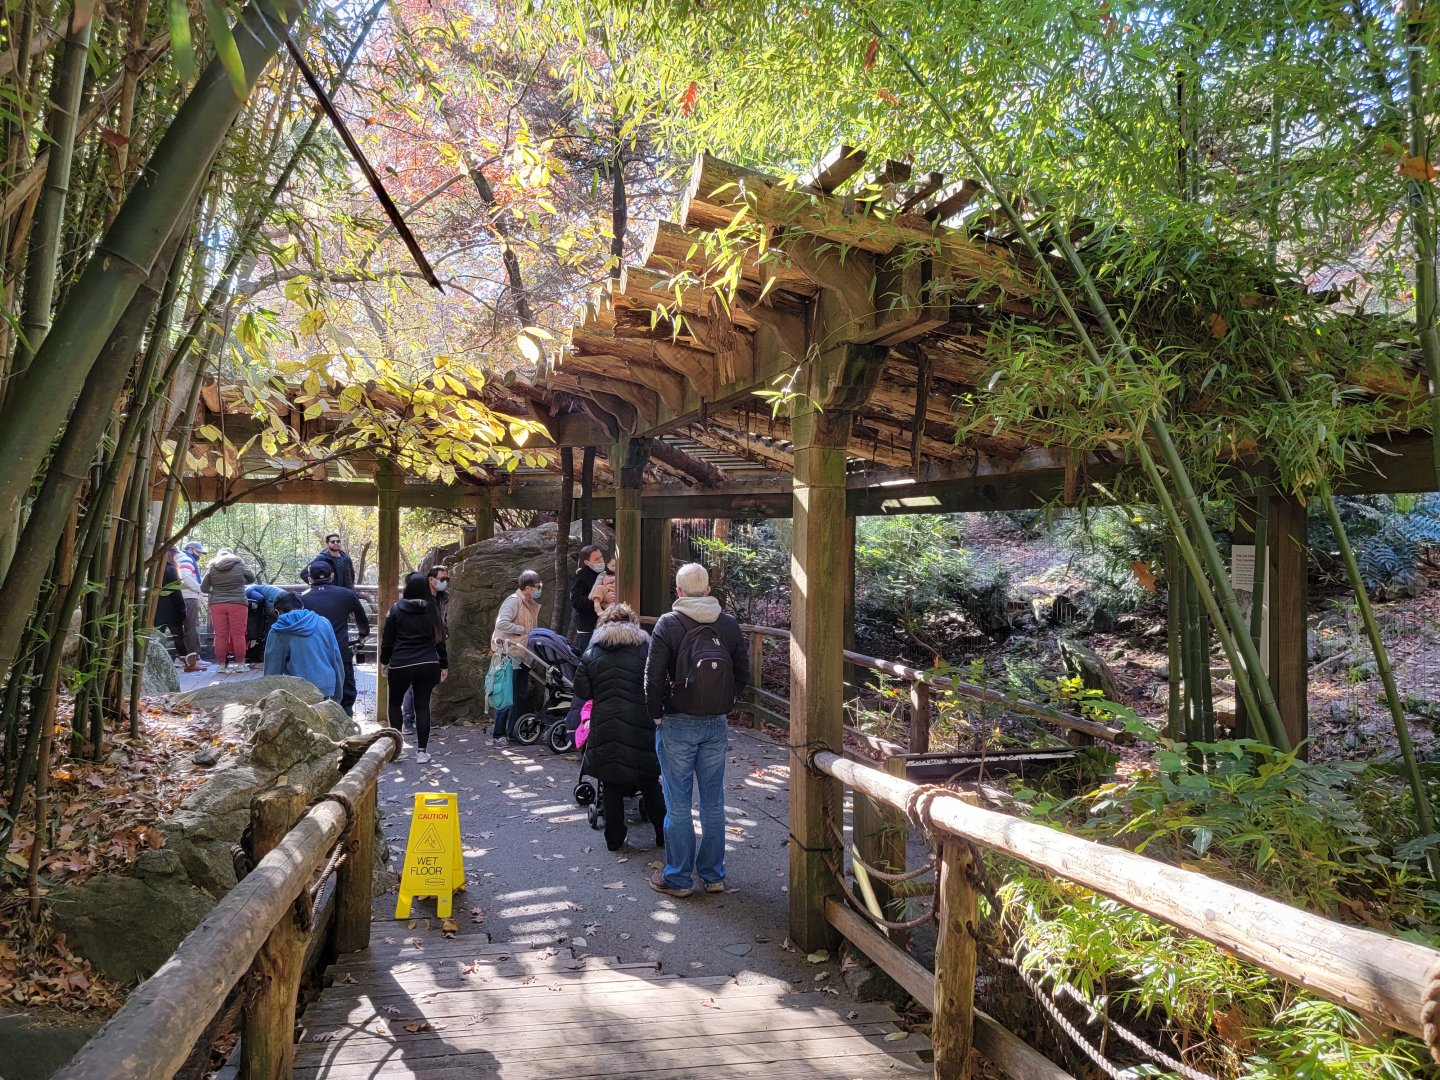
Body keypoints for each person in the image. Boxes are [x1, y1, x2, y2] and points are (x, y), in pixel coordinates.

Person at [644, 562, 750, 898]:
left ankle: (678, 879)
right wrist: (726, 702)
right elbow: (743, 672)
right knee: (713, 802)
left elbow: (652, 676)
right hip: (715, 724)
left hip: (677, 721)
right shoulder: (728, 624)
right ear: (707, 590)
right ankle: (713, 875)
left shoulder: (669, 624)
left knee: (677, 803)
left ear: (678, 592)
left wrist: (657, 715)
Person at [573, 603, 667, 853]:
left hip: (606, 723)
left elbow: (582, 690)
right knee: (649, 781)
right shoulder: (646, 649)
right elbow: (658, 682)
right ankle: (663, 834)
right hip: (641, 722)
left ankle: (614, 839)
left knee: (611, 784)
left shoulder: (593, 652)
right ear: (633, 623)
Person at [382, 572, 448, 764]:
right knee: (422, 706)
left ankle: (397, 750)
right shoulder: (432, 610)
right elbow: (439, 640)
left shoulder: (395, 610)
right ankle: (421, 752)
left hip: (401, 663)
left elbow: (387, 641)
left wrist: (385, 661)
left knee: (395, 704)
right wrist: (443, 663)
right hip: (427, 663)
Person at [300, 561, 370, 717]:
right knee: (346, 690)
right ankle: (346, 723)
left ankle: (318, 722)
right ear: (331, 576)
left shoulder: (302, 599)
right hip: (340, 649)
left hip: (313, 652)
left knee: (315, 690)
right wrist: (362, 636)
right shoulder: (346, 594)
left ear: (310, 578)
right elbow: (362, 620)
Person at [489, 569, 542, 747]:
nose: (540, 589)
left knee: (519, 695)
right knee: (506, 696)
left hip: (523, 655)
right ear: (528, 588)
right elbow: (501, 623)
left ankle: (513, 731)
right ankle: (498, 733)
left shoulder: (529, 603)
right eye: (537, 586)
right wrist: (524, 631)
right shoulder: (513, 601)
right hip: (510, 654)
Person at [263, 593, 344, 702]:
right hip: (326, 685)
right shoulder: (324, 622)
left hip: (298, 689)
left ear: (277, 612)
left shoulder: (278, 630)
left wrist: (268, 699)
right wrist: (338, 695)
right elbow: (336, 658)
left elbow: (272, 669)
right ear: (302, 607)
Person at [403, 565, 450, 734]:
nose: (445, 582)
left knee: (427, 683)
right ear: (431, 580)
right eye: (442, 579)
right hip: (419, 643)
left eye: (447, 579)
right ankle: (407, 719)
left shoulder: (443, 597)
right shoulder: (420, 599)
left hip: (436, 642)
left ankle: (422, 717)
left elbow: (442, 620)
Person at [201, 548, 256, 673]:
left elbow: (203, 587)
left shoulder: (213, 567)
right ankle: (240, 664)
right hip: (238, 603)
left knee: (220, 635)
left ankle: (220, 665)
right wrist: (240, 582)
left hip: (217, 604)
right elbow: (251, 578)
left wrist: (215, 592)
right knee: (239, 635)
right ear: (232, 555)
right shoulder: (239, 565)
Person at [177, 540, 207, 671]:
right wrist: (200, 589)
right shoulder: (186, 559)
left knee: (183, 628)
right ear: (191, 550)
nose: (200, 555)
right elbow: (186, 577)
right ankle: (194, 659)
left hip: (182, 595)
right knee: (191, 627)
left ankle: (183, 657)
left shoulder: (180, 557)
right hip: (188, 596)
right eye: (198, 552)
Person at [570, 545, 604, 654]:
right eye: (596, 559)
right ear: (587, 562)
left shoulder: (606, 572)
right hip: (588, 629)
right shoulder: (581, 576)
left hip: (605, 626)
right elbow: (576, 601)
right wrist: (598, 599)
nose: (601, 560)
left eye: (601, 557)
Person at [154, 550, 188, 659]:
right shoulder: (170, 569)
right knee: (178, 636)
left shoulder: (155, 569)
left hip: (157, 609)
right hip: (172, 610)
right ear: (171, 555)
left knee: (157, 638)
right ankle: (184, 660)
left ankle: (154, 658)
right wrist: (182, 609)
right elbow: (176, 592)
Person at [244, 582, 288, 664]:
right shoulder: (259, 586)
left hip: (275, 601)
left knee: (271, 630)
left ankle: (266, 658)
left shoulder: (248, 590)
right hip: (286, 599)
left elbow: (260, 599)